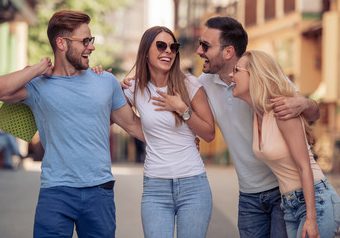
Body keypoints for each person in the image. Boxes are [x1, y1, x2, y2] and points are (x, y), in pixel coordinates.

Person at [0, 10, 144, 238]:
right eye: (85, 41)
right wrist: (37, 68)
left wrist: (179, 139)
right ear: (61, 43)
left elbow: (133, 126)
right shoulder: (39, 84)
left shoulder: (106, 81)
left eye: (90, 40)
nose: (91, 47)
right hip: (55, 191)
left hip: (99, 191)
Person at [197, 16, 320, 237]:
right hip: (248, 196)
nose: (199, 51)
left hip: (284, 190)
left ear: (228, 52)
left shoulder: (261, 75)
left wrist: (303, 103)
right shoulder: (203, 84)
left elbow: (313, 113)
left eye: (205, 45)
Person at [230, 49, 340, 238]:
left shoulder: (282, 111)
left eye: (237, 70)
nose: (231, 76)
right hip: (289, 204)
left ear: (255, 75)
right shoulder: (258, 114)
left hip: (315, 201)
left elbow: (304, 166)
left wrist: (311, 219)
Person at [122, 26, 215, 238]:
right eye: (161, 46)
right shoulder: (135, 88)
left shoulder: (189, 84)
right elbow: (108, 117)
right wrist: (110, 85)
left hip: (193, 186)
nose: (168, 51)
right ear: (146, 51)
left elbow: (209, 133)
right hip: (155, 188)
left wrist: (182, 109)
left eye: (173, 47)